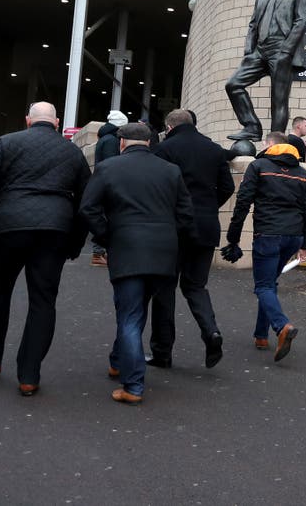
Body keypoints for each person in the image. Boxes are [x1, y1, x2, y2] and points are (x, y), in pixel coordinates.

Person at [0, 101, 91, 397]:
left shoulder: (7, 143)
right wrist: (74, 242)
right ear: (57, 123)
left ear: (27, 121)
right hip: (54, 231)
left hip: (10, 227)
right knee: (43, 300)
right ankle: (29, 375)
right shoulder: (72, 152)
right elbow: (86, 201)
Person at [79, 122, 198, 405]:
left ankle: (133, 385)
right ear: (150, 143)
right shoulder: (170, 171)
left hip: (127, 248)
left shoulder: (109, 168)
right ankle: (118, 361)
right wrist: (169, 236)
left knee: (129, 316)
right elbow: (185, 214)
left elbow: (88, 209)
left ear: (121, 143)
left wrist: (108, 236)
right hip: (163, 251)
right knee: (136, 310)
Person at [149, 109, 236, 369]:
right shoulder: (214, 149)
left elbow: (158, 186)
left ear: (169, 126)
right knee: (196, 286)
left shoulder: (165, 149)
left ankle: (162, 352)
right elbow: (228, 187)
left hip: (172, 227)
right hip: (206, 226)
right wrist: (208, 207)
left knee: (164, 288)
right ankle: (211, 331)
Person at [223, 132, 306, 361]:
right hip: (292, 236)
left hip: (268, 234)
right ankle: (261, 336)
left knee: (263, 286)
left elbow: (243, 202)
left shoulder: (259, 166)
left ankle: (281, 326)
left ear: (269, 145)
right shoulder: (303, 174)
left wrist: (232, 238)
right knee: (270, 284)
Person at [224, 0, 306, 141]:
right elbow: (253, 24)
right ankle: (252, 126)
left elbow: (301, 22)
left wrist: (287, 51)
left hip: (281, 49)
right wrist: (249, 51)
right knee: (233, 84)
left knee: (278, 100)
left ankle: (275, 141)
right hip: (260, 50)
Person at [90, 109, 129, 266]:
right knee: (107, 217)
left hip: (102, 182)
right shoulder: (112, 141)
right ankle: (98, 253)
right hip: (108, 184)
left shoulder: (104, 138)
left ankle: (99, 252)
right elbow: (112, 164)